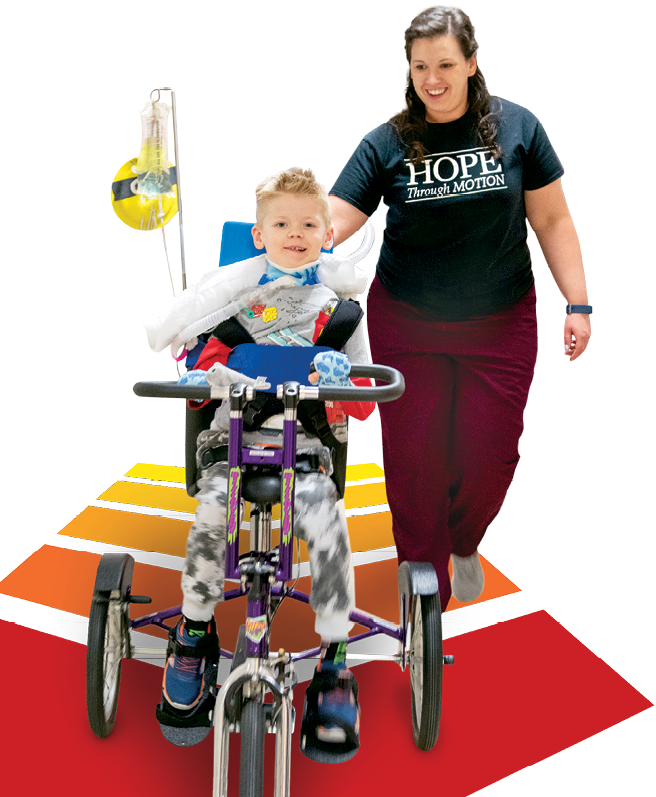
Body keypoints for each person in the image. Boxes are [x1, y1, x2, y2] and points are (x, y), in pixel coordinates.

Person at [327, 5, 591, 614]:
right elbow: (339, 216)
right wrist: (290, 236)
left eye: (446, 63)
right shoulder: (385, 142)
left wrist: (577, 301)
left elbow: (551, 217)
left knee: (488, 455)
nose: (433, 79)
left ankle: (464, 541)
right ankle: (424, 592)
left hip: (499, 323)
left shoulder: (519, 127)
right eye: (421, 66)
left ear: (472, 62)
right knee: (414, 455)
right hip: (406, 321)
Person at [145, 166, 372, 762]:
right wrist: (198, 377)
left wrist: (343, 382)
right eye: (280, 223)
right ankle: (194, 631)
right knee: (212, 520)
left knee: (327, 526)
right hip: (232, 445)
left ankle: (335, 660)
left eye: (307, 224)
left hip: (308, 451)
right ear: (258, 234)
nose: (294, 234)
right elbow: (198, 374)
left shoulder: (342, 313)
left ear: (328, 235)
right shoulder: (233, 302)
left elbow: (365, 402)